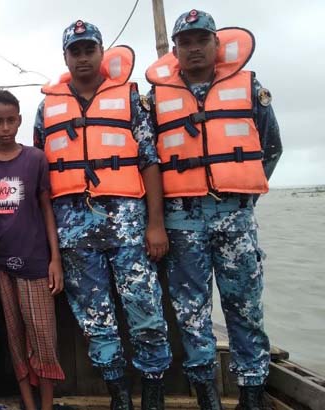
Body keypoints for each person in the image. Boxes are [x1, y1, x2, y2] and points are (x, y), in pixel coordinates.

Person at [145, 10, 282, 410]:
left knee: (245, 308)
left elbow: (271, 148)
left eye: (202, 40)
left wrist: (242, 192)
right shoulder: (155, 100)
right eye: (185, 42)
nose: (194, 48)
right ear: (175, 50)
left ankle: (252, 394)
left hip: (236, 217)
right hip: (181, 221)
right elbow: (148, 160)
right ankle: (207, 395)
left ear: (216, 45)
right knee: (191, 313)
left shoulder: (249, 87)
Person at [33, 20, 173, 410]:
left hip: (127, 223)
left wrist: (155, 224)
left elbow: (150, 162)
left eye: (88, 49)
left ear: (100, 52)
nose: (82, 57)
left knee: (144, 309)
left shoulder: (130, 99)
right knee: (96, 318)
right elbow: (41, 171)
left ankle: (155, 392)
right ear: (65, 57)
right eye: (75, 51)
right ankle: (119, 395)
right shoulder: (47, 109)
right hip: (74, 229)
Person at [0, 90, 65, 410]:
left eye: (11, 120)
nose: (5, 127)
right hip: (0, 263)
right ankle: (28, 404)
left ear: (19, 120)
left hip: (34, 260)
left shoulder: (35, 159)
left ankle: (45, 405)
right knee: (15, 339)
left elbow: (46, 208)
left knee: (43, 337)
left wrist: (55, 259)